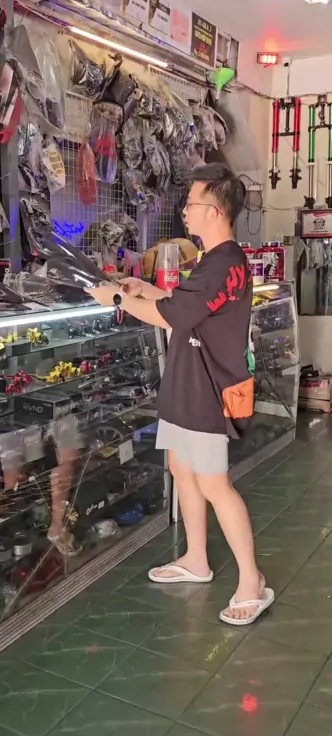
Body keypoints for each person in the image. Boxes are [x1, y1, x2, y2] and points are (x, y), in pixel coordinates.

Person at [85, 163, 273, 626]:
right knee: (182, 470)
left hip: (208, 389)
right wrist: (145, 289)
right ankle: (196, 559)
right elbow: (184, 305)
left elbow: (172, 317)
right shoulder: (215, 260)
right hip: (186, 382)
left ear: (214, 210)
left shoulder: (223, 263)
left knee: (214, 484)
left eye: (190, 203)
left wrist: (117, 299)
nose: (184, 211)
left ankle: (252, 580)